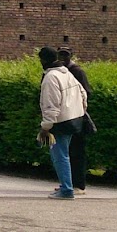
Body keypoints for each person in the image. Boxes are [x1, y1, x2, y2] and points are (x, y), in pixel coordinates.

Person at [38, 46, 88, 199]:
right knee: (64, 154)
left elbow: (50, 105)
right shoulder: (67, 74)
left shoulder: (51, 77)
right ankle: (66, 185)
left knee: (60, 156)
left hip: (60, 122)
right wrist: (78, 111)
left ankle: (66, 189)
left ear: (43, 60)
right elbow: (83, 94)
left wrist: (45, 127)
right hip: (74, 119)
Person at [58, 46, 92, 195]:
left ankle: (79, 184)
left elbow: (86, 93)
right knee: (67, 151)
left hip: (76, 117)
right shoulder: (60, 72)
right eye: (61, 54)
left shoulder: (77, 72)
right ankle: (68, 182)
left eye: (65, 55)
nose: (63, 57)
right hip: (66, 117)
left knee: (77, 151)